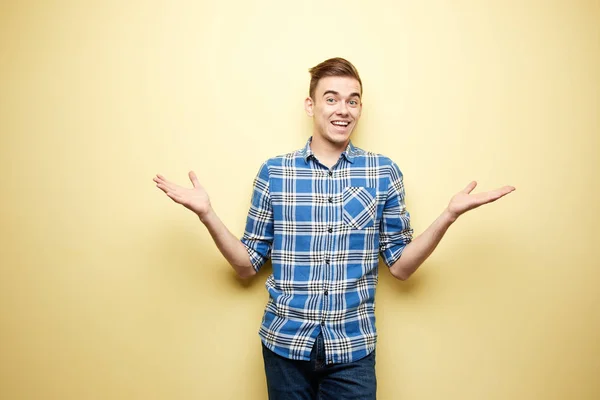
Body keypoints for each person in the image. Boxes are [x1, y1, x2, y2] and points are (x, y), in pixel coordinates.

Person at [153, 57, 515, 399]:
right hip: (284, 346)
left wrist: (448, 215)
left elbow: (402, 267)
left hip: (353, 349)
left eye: (353, 101)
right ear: (311, 106)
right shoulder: (274, 172)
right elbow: (246, 266)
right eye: (332, 99)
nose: (343, 109)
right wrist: (207, 214)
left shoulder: (382, 172)